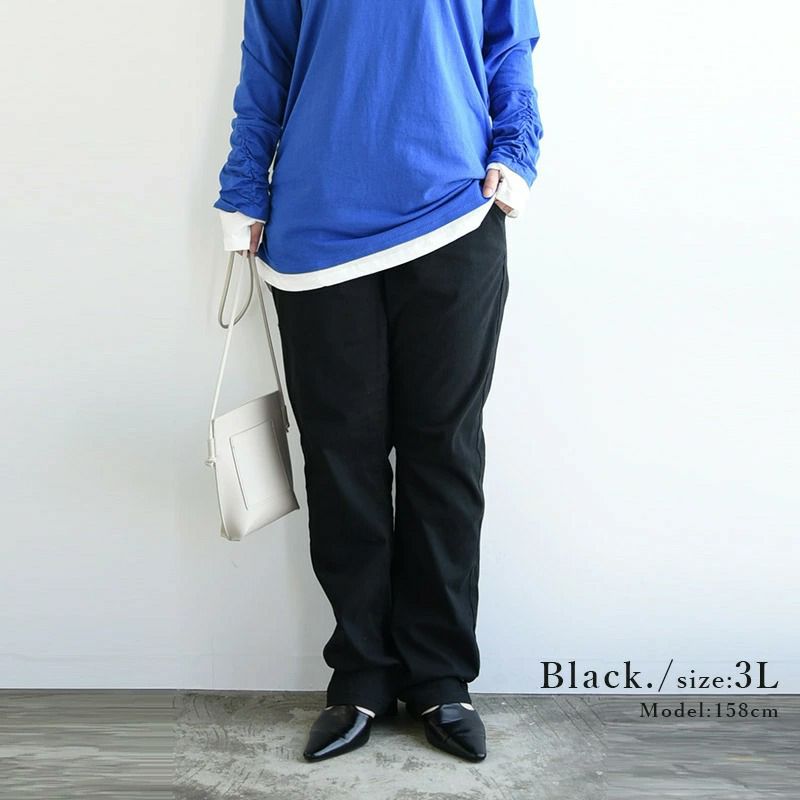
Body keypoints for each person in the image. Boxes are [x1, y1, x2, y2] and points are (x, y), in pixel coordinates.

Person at [213, 0, 543, 763]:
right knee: (341, 458)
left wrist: (516, 152)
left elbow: (510, 42)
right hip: (317, 223)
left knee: (444, 452)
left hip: (455, 209)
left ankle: (441, 677)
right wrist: (244, 187)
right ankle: (360, 674)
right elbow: (268, 59)